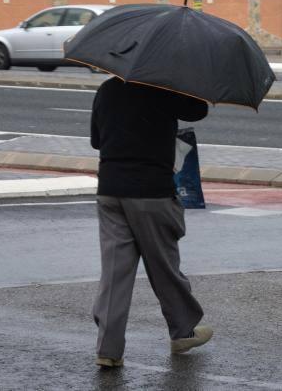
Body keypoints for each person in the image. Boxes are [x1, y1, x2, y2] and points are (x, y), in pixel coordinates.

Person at [90, 76, 212, 369]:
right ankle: (183, 332)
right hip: (151, 192)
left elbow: (96, 140)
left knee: (114, 273)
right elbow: (199, 109)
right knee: (163, 266)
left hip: (110, 191)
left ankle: (109, 349)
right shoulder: (165, 89)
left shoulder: (107, 89)